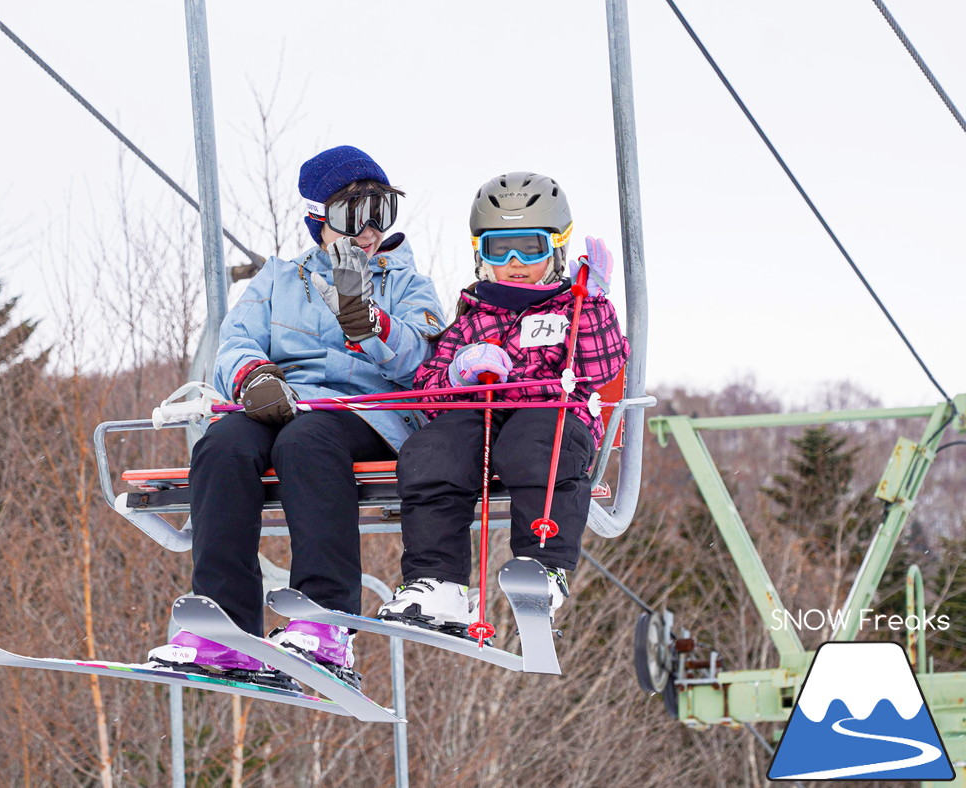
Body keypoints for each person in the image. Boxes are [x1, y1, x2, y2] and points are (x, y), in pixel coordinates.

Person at [147, 146, 444, 687]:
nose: (370, 230)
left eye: (382, 212)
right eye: (354, 215)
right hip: (283, 405)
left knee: (306, 441)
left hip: (369, 415)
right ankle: (225, 626)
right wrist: (252, 378)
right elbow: (234, 341)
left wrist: (373, 326)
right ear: (318, 219)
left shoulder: (404, 281)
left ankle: (323, 619)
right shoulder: (280, 280)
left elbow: (424, 364)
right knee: (222, 444)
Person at [377, 171, 628, 632]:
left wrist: (591, 303)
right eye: (498, 248)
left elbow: (603, 364)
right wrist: (457, 372)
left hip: (554, 416)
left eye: (529, 248)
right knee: (432, 450)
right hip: (484, 417)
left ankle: (541, 566)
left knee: (533, 442)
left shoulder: (570, 307)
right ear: (480, 254)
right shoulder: (475, 316)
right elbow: (430, 390)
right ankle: (438, 581)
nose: (514, 261)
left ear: (556, 247)